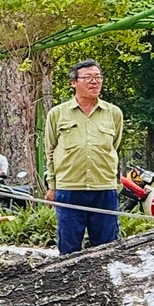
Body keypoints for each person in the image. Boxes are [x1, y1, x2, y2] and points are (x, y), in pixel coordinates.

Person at [45, 59, 127, 255]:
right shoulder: (57, 114)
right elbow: (50, 150)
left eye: (98, 77)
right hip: (69, 187)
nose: (94, 82)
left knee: (106, 249)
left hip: (104, 188)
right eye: (88, 78)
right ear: (73, 82)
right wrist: (52, 185)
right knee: (68, 247)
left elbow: (114, 146)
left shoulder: (113, 113)